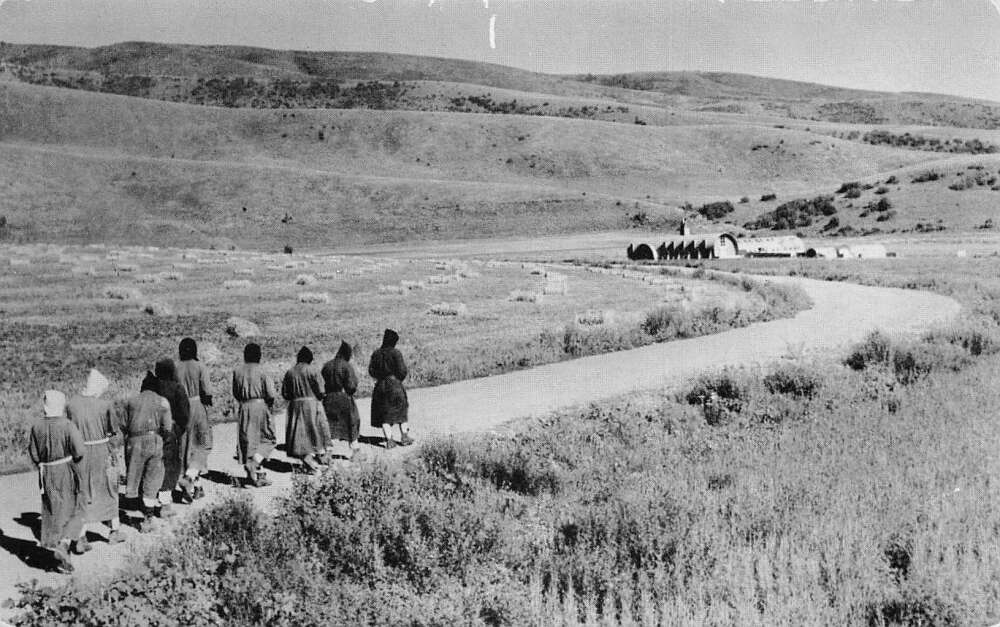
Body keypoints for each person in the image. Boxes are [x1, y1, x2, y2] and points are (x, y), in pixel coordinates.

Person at [65, 369, 124, 549]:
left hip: (79, 452)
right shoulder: (104, 405)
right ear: (98, 388)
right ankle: (114, 531)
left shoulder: (71, 404)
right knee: (109, 489)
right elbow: (114, 430)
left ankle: (81, 537)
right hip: (101, 452)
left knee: (82, 492)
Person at [29, 390, 87, 573]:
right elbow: (79, 451)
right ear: (61, 406)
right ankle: (64, 544)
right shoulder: (67, 425)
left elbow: (34, 454)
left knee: (52, 509)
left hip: (46, 473)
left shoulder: (36, 426)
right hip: (65, 471)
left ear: (45, 406)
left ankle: (56, 548)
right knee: (73, 508)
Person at [120, 375, 173, 531]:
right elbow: (167, 428)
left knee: (134, 475)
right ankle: (148, 517)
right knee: (153, 477)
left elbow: (122, 424)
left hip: (134, 441)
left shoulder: (130, 401)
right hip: (154, 439)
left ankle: (132, 501)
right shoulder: (162, 401)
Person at [143, 359, 189, 516]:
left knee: (153, 464)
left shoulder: (151, 387)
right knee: (170, 465)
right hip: (171, 430)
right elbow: (184, 415)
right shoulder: (177, 388)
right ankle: (165, 504)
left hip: (151, 429)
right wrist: (178, 430)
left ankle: (148, 499)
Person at [174, 338, 213, 503]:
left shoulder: (176, 368)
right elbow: (207, 390)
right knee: (203, 444)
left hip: (180, 409)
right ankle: (190, 477)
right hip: (197, 406)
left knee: (185, 447)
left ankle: (196, 487)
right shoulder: (200, 366)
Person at [233, 342, 277, 487]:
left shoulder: (237, 371)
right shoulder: (262, 370)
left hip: (244, 407)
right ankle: (254, 463)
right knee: (268, 439)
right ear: (259, 355)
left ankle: (256, 475)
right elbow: (270, 393)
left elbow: (236, 393)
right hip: (260, 406)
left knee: (248, 440)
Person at [282, 346, 327, 473]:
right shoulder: (313, 370)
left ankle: (307, 460)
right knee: (314, 432)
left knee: (299, 434)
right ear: (310, 358)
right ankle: (314, 462)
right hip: (311, 404)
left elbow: (285, 393)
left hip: (295, 406)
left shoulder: (290, 372)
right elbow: (321, 390)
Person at [368, 329, 412, 448]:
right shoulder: (396, 353)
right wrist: (397, 380)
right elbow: (402, 371)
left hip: (380, 386)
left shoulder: (376, 354)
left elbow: (371, 371)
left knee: (384, 414)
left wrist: (380, 377)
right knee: (401, 410)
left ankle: (389, 440)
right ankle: (404, 437)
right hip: (395, 384)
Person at [321, 341, 361, 456]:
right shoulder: (346, 366)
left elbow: (320, 383)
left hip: (328, 398)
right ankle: (355, 451)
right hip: (344, 397)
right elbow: (352, 386)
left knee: (330, 425)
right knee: (351, 422)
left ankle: (328, 453)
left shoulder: (326, 365)